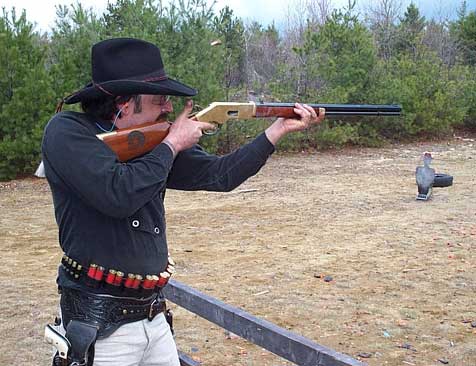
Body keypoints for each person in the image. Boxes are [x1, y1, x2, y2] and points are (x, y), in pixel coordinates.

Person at [41, 37, 325, 366]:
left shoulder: (154, 142)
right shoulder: (67, 132)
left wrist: (275, 131)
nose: (168, 108)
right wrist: (172, 144)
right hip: (98, 326)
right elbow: (117, 194)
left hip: (152, 315)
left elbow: (221, 175)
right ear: (123, 102)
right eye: (159, 99)